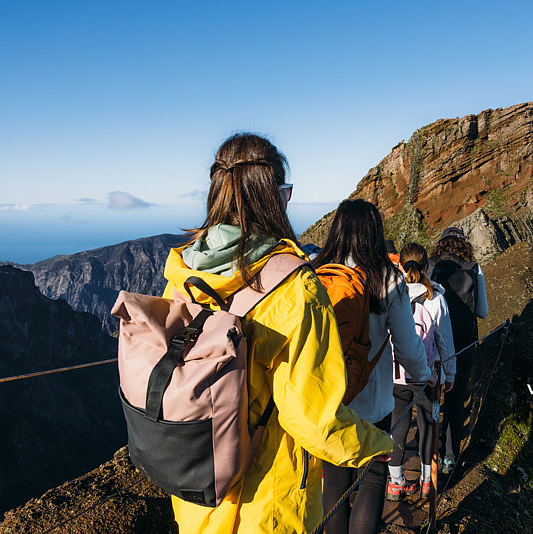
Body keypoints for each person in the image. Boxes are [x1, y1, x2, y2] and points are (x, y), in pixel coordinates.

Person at [163, 134, 393, 534]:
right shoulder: (296, 288)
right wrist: (376, 443)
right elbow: (311, 418)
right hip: (268, 498)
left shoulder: (183, 276)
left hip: (199, 486)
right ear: (273, 197)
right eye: (285, 192)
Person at [313, 199, 436, 534]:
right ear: (374, 232)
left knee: (335, 486)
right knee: (371, 480)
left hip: (329, 399)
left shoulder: (317, 272)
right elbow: (407, 346)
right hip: (375, 402)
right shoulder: (388, 278)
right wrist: (425, 376)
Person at [386, 242, 456, 501]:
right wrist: (450, 374)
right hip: (429, 375)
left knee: (398, 425)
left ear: (400, 265)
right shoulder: (435, 298)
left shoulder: (391, 294)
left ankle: (396, 482)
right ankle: (428, 481)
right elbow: (445, 341)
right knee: (428, 425)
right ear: (427, 266)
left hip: (396, 373)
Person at [426, 227, 488, 475]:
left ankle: (428, 454)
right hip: (463, 342)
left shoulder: (429, 265)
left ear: (441, 244)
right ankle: (449, 457)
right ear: (464, 244)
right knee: (456, 398)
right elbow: (482, 312)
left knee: (430, 397)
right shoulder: (474, 268)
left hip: (432, 342)